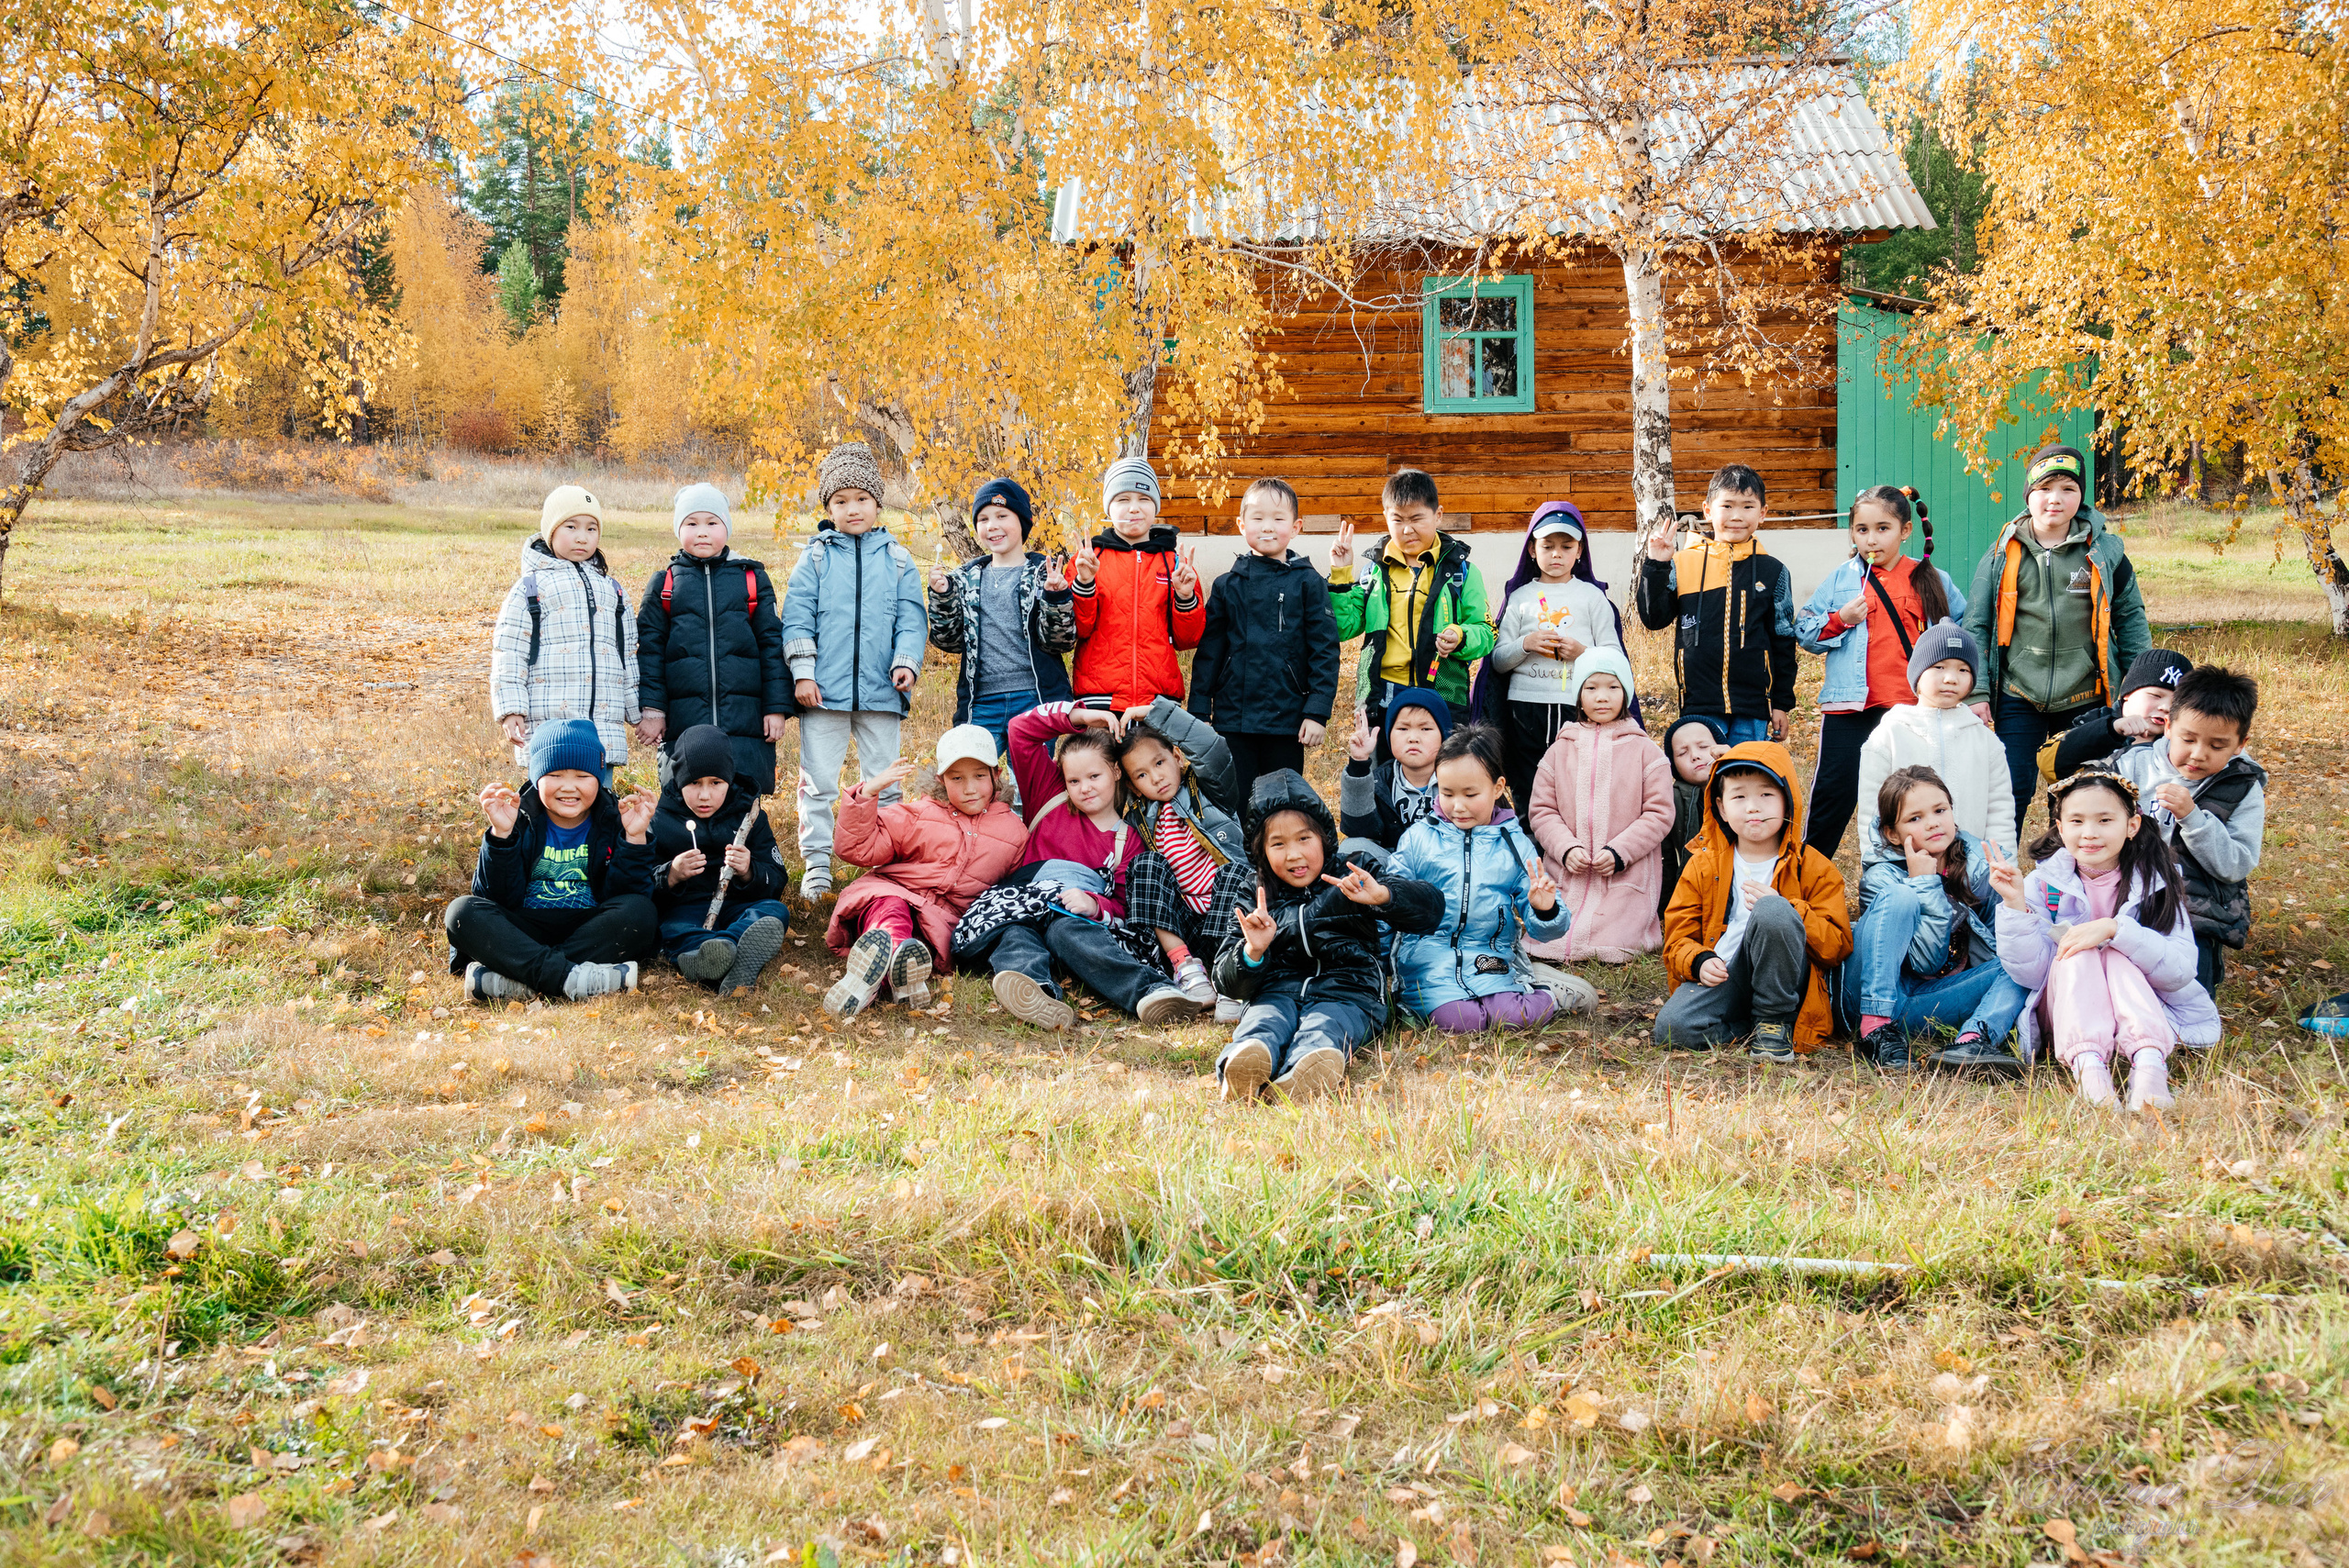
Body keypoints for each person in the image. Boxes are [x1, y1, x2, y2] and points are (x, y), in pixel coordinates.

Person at [950, 702, 1201, 1029]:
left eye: (1094, 776)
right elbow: (1019, 731)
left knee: (1066, 931)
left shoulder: (1128, 839)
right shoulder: (1048, 794)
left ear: (1116, 772)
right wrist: (1079, 717)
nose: (1084, 788)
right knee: (1014, 936)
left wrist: (1094, 905)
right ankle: (1038, 993)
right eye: (1074, 781)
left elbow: (1124, 905)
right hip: (1024, 905)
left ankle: (1152, 993)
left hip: (1075, 925)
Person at [1208, 771, 1444, 1101]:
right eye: (1278, 844)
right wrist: (1252, 953)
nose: (1294, 854)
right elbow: (1226, 981)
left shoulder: (1354, 871)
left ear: (1323, 837)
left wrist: (1384, 896)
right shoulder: (1255, 891)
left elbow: (1431, 909)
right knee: (1263, 1022)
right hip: (1276, 990)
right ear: (1261, 850)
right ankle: (1243, 1065)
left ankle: (1305, 1070)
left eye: (1304, 839)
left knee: (1326, 1026)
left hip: (1349, 991)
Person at [1988, 768, 2216, 1111]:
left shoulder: (2157, 883)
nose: (2090, 833)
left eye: (2105, 820)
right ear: (2060, 828)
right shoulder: (2043, 885)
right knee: (2077, 952)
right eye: (2076, 821)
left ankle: (2149, 1064)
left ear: (2132, 826)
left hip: (2140, 1004)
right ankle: (2090, 1069)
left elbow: (2180, 971)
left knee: (2118, 953)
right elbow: (2031, 974)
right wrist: (2015, 905)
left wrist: (2116, 930)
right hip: (2069, 1008)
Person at [1962, 443, 2152, 831]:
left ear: (2081, 497)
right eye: (2045, 488)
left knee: (2080, 794)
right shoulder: (2001, 554)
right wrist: (1978, 692)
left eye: (2068, 489)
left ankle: (2071, 868)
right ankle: (1997, 868)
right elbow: (1976, 624)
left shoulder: (2106, 554)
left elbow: (2131, 620)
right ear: (2028, 495)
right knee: (2009, 791)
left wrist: (2139, 690)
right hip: (2018, 695)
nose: (2055, 499)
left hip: (2085, 695)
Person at [780, 442, 928, 902]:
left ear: (877, 503)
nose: (853, 509)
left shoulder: (898, 559)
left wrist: (906, 662)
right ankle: (817, 863)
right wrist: (803, 672)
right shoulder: (816, 558)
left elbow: (911, 620)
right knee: (819, 782)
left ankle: (885, 862)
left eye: (862, 498)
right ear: (829, 509)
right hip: (823, 693)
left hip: (881, 691)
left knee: (885, 782)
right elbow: (797, 617)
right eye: (841, 501)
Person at [1654, 740, 1853, 1059]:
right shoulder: (1703, 865)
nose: (1752, 807)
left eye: (1766, 795)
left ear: (1788, 802)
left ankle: (1774, 1019)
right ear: (1721, 808)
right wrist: (1698, 960)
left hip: (1787, 981)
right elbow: (1678, 938)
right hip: (1727, 972)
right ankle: (1748, 1026)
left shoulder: (1813, 867)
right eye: (1739, 797)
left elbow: (1836, 946)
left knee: (1773, 909)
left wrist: (1790, 909)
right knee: (1672, 1029)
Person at [1796, 485, 1966, 855]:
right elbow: (1804, 631)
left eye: (1882, 529)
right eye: (1861, 530)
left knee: (1914, 801)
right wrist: (1840, 619)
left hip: (1912, 709)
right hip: (1849, 709)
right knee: (1831, 798)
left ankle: (1920, 873)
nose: (1871, 540)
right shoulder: (1841, 580)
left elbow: (1962, 632)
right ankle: (1805, 876)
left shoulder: (1931, 578)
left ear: (1906, 530)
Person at [444, 717, 656, 1003]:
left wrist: (635, 838)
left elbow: (625, 896)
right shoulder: (517, 816)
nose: (568, 787)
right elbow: (494, 898)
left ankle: (520, 978)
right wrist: (502, 835)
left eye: (582, 776)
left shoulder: (614, 818)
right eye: (555, 775)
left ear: (598, 778)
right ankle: (573, 979)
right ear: (536, 778)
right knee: (461, 911)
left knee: (641, 912)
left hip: (588, 929)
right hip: (524, 930)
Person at [824, 723, 1029, 1018]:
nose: (970, 788)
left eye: (979, 776)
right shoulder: (920, 814)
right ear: (941, 780)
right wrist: (867, 794)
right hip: (892, 895)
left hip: (943, 921)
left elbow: (1008, 893)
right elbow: (856, 849)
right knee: (892, 911)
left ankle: (889, 979)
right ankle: (887, 955)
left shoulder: (1014, 832)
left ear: (996, 775)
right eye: (957, 778)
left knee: (923, 945)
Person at [1845, 766, 2030, 1075]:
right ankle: (1875, 1030)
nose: (1932, 823)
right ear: (1892, 833)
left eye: (1940, 810)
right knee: (1901, 897)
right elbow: (1925, 963)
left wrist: (2014, 903)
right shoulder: (1882, 878)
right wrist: (1924, 884)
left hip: (1929, 1003)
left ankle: (1972, 1042)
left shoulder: (1979, 868)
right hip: (1876, 997)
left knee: (2023, 962)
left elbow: (2000, 952)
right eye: (1915, 818)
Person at [1386, 726, 1570, 1032]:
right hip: (1429, 957)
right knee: (1458, 1020)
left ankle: (1552, 995)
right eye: (1447, 793)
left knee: (1515, 1017)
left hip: (1490, 955)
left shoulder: (1514, 844)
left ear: (1498, 788)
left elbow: (1547, 928)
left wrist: (1545, 908)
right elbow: (1389, 900)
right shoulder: (1418, 839)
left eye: (1470, 794)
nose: (1458, 806)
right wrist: (1376, 965)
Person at [2111, 666, 2265, 995]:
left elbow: (2236, 864)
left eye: (2217, 745)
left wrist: (2194, 818)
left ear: (2240, 744)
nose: (2198, 754)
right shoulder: (2129, 766)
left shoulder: (2242, 786)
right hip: (2122, 898)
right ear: (2168, 726)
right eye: (2188, 739)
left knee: (2187, 994)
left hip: (2195, 909)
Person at [633, 483, 794, 795]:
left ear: (727, 527)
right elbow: (650, 652)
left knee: (743, 797)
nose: (702, 532)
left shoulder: (752, 579)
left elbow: (771, 645)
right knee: (687, 795)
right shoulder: (664, 584)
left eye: (712, 523)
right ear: (678, 529)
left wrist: (776, 707)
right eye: (691, 524)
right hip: (685, 720)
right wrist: (653, 710)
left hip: (745, 722)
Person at [1473, 500, 1631, 811]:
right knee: (1527, 781)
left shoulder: (1592, 597)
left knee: (1574, 779)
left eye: (1566, 546)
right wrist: (1526, 644)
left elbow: (1614, 656)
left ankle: (1571, 831)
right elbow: (1498, 662)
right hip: (1524, 708)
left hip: (1576, 706)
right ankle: (1529, 831)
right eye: (1547, 546)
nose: (1556, 554)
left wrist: (1582, 653)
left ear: (1580, 550)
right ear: (1532, 550)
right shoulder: (1520, 598)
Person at [1186, 477, 1341, 783]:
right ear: (1242, 525)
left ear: (1295, 527)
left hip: (1286, 720)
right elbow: (1209, 653)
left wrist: (1316, 711)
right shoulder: (1227, 586)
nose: (1267, 527)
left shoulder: (1308, 583)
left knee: (1281, 800)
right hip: (1232, 719)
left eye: (1278, 519)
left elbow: (1325, 650)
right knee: (1234, 798)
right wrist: (1200, 710)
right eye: (1258, 518)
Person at [1525, 648, 1674, 963]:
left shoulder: (1646, 751)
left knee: (1615, 941)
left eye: (1613, 687)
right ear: (1579, 695)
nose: (1602, 697)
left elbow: (1659, 813)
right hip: (1569, 876)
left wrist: (1620, 852)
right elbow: (1542, 810)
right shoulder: (1559, 751)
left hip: (1624, 879)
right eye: (1591, 687)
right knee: (1553, 932)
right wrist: (1566, 848)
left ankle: (1617, 930)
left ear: (1626, 693)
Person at [1634, 464, 1798, 745]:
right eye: (1727, 506)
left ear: (1762, 513)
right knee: (1703, 769)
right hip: (1699, 701)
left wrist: (1781, 703)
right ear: (1708, 510)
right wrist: (1656, 565)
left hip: (1753, 706)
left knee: (1744, 769)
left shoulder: (1774, 571)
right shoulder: (1683, 564)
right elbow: (1653, 618)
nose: (1737, 516)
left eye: (1748, 507)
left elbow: (1783, 640)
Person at [1325, 470, 1494, 740]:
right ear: (1386, 518)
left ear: (1438, 515)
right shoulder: (1374, 573)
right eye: (1398, 520)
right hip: (1382, 697)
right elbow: (1343, 628)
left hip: (1444, 696)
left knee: (1442, 767)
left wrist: (1460, 636)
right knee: (1379, 767)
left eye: (1417, 519)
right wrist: (1341, 574)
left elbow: (1485, 633)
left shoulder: (1462, 572)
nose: (1407, 529)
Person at [490, 484, 640, 773]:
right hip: (550, 732)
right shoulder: (531, 587)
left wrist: (637, 714)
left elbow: (627, 655)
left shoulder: (613, 590)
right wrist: (511, 709)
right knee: (553, 795)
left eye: (591, 529)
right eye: (571, 527)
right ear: (551, 531)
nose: (582, 537)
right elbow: (509, 651)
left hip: (603, 732)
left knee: (599, 797)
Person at [925, 477, 1076, 760]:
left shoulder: (1043, 576)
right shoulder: (963, 580)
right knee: (974, 776)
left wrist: (1055, 597)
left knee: (1028, 783)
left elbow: (1060, 643)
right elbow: (949, 642)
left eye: (1002, 516)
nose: (992, 525)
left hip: (1033, 699)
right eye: (983, 519)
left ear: (1022, 522)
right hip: (981, 702)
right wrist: (943, 597)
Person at [644, 724, 791, 996]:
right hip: (685, 910)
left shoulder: (750, 815)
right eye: (694, 783)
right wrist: (671, 874)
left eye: (716, 783)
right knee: (670, 928)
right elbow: (641, 883)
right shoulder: (660, 820)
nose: (704, 795)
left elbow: (777, 878)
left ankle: (722, 949)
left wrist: (750, 871)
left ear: (729, 780)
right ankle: (713, 953)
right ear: (679, 780)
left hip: (738, 906)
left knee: (775, 911)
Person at [1113, 702, 1245, 1006]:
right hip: (1183, 929)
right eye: (1142, 775)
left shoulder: (1211, 791)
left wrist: (1155, 713)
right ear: (1133, 786)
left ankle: (1230, 977)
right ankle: (1185, 968)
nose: (1156, 778)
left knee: (1237, 871)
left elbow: (1213, 750)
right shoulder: (1138, 818)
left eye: (1159, 763)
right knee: (1145, 864)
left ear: (1176, 756)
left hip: (1229, 921)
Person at [1854, 622, 2015, 866]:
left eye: (1963, 670)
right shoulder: (1889, 734)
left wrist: (2001, 866)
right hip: (1906, 869)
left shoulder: (1985, 741)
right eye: (1939, 667)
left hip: (1970, 870)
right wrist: (1880, 868)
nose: (1951, 678)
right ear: (1918, 675)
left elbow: (2000, 811)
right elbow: (1871, 811)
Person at [1069, 456, 1206, 710]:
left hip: (1158, 702)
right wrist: (1084, 583)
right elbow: (1079, 629)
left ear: (1155, 507)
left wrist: (1185, 597)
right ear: (1108, 508)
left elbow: (1188, 639)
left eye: (1144, 499)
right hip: (1100, 699)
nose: (1134, 508)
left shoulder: (1174, 563)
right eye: (1123, 500)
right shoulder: (1088, 560)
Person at [2042, 649, 2191, 782]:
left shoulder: (2178, 742)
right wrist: (2110, 730)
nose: (2166, 707)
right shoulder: (2094, 722)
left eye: (2176, 703)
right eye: (2155, 696)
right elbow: (2047, 763)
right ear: (2128, 694)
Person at [1338, 689, 1452, 855]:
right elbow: (1357, 828)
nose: (1413, 738)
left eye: (1425, 729)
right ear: (1389, 735)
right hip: (1393, 863)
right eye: (1403, 729)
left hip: (1447, 861)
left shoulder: (1459, 777)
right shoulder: (1381, 782)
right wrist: (1359, 765)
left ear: (1443, 735)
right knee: (1350, 848)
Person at [1658, 714, 1725, 917]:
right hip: (1693, 899)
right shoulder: (1671, 801)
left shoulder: (1744, 788)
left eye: (1703, 747)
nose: (1695, 756)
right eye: (1682, 753)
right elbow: (1666, 864)